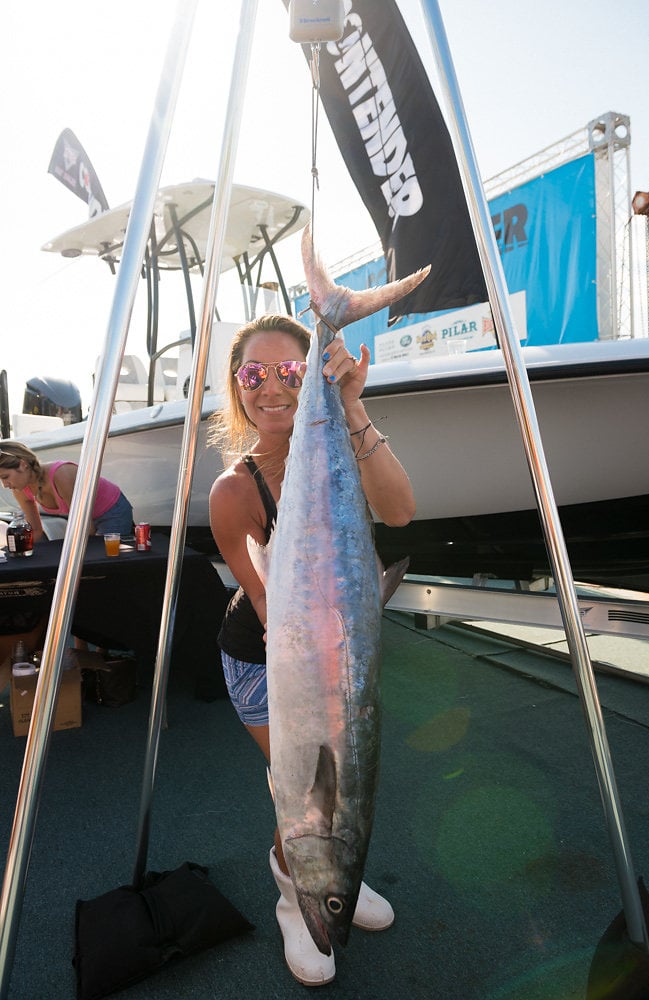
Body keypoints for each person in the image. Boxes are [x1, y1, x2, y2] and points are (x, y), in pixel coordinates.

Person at [208, 314, 415, 987]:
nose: (271, 386)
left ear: (313, 374)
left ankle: (330, 882)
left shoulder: (341, 440)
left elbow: (401, 512)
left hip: (340, 646)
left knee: (328, 786)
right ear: (237, 388)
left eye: (291, 371)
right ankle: (301, 899)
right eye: (252, 374)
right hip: (270, 658)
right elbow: (275, 607)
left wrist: (349, 402)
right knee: (299, 789)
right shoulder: (233, 491)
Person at [0, 441, 133, 541]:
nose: (4, 485)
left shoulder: (60, 473)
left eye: (5, 477)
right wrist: (13, 550)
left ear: (23, 464)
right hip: (86, 521)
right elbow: (35, 531)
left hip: (112, 511)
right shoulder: (20, 489)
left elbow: (85, 527)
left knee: (103, 558)